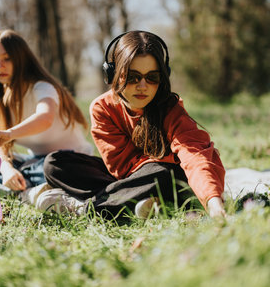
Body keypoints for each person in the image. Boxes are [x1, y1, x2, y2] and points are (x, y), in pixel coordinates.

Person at [43, 30, 226, 218]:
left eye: (152, 77)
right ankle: (141, 200)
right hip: (127, 178)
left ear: (163, 78)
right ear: (114, 74)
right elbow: (121, 168)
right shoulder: (102, 108)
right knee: (55, 164)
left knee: (162, 174)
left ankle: (88, 208)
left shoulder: (171, 109)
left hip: (166, 179)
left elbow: (195, 155)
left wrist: (214, 203)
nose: (142, 86)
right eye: (132, 77)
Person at [0, 29, 93, 197]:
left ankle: (10, 185)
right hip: (34, 163)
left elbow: (45, 117)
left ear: (21, 59)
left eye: (7, 59)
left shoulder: (42, 87)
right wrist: (7, 170)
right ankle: (18, 183)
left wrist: (8, 134)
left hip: (67, 162)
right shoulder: (0, 98)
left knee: (51, 168)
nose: (0, 66)